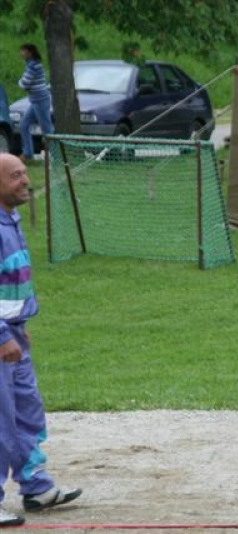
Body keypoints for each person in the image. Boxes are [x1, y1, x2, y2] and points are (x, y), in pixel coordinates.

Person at [0, 154, 82, 527]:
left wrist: (20, 323)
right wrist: (2, 334)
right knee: (1, 420)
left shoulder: (10, 220)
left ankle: (35, 486)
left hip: (14, 332)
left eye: (24, 174)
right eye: (16, 176)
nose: (26, 181)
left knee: (26, 411)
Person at [17, 44, 54, 162]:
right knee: (24, 124)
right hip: (35, 100)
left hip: (41, 100)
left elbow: (24, 83)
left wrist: (20, 82)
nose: (21, 53)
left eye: (23, 51)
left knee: (46, 128)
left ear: (30, 52)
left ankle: (56, 154)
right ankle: (28, 153)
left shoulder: (34, 65)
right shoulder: (30, 64)